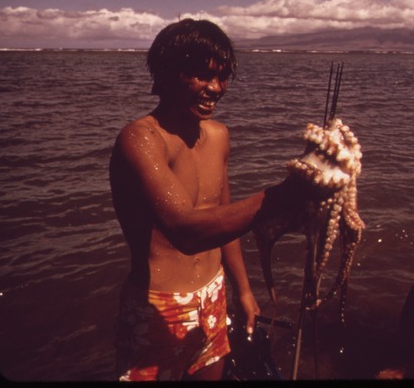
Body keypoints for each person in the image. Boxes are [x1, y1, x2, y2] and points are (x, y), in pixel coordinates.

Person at [109, 19, 316, 381]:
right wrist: (284, 195)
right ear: (168, 73)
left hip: (214, 293)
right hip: (161, 305)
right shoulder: (140, 139)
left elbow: (221, 221)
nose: (216, 89)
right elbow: (185, 230)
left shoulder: (219, 135)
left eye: (222, 78)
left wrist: (244, 290)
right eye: (203, 77)